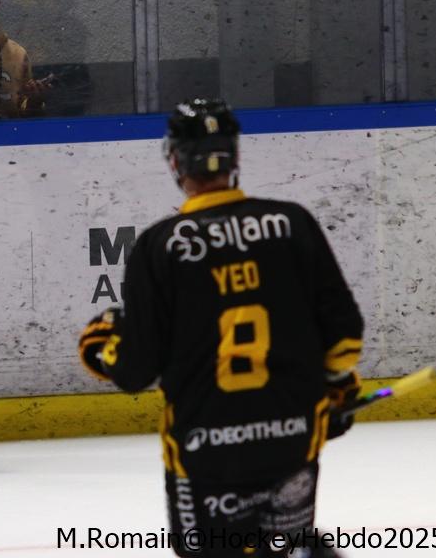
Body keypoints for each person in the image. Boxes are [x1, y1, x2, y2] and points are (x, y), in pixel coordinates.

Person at [78, 99, 364, 558]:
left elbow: (134, 369)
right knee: (290, 549)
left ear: (175, 162)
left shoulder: (160, 246)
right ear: (235, 157)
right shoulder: (292, 223)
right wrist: (335, 386)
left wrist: (102, 348)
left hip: (205, 452)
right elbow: (344, 336)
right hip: (291, 438)